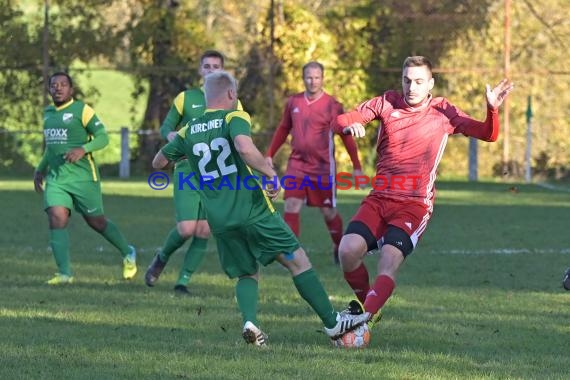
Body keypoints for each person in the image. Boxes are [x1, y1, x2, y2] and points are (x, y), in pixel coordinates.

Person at [152, 71, 368, 346]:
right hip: (251, 209)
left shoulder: (188, 130)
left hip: (219, 218)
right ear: (231, 94)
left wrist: (186, 150)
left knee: (246, 272)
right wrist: (268, 171)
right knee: (297, 260)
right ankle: (333, 323)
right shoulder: (234, 117)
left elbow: (159, 162)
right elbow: (243, 147)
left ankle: (250, 322)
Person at [335, 56, 514, 325]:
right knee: (347, 252)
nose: (412, 87)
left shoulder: (443, 111)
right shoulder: (387, 102)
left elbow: (488, 134)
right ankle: (368, 303)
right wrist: (350, 124)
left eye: (419, 81)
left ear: (430, 83)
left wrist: (492, 109)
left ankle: (362, 321)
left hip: (414, 204)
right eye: (407, 80)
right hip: (380, 197)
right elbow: (341, 119)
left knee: (389, 260)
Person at [145, 50, 240, 295]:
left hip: (215, 173)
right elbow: (167, 125)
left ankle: (182, 282)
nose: (211, 70)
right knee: (187, 228)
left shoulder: (232, 100)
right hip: (187, 170)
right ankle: (162, 257)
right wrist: (170, 135)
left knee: (204, 230)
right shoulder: (186, 98)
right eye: (206, 66)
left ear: (223, 70)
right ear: (200, 70)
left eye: (216, 66)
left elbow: (238, 134)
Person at [34, 72, 137, 285]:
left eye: (63, 85)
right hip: (57, 179)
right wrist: (40, 169)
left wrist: (83, 149)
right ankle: (64, 274)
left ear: (71, 90)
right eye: (54, 85)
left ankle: (128, 252)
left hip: (84, 179)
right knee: (56, 217)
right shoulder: (47, 113)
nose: (58, 88)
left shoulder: (82, 110)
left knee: (96, 222)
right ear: (49, 89)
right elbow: (51, 147)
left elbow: (103, 138)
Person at [265, 61, 362, 264]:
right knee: (291, 205)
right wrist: (269, 154)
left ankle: (339, 246)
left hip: (322, 168)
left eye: (317, 77)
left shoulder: (333, 105)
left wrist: (357, 167)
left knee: (328, 212)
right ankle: (292, 254)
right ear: (303, 78)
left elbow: (346, 138)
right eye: (309, 77)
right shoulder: (294, 102)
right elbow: (283, 129)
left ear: (322, 78)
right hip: (297, 165)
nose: (313, 81)